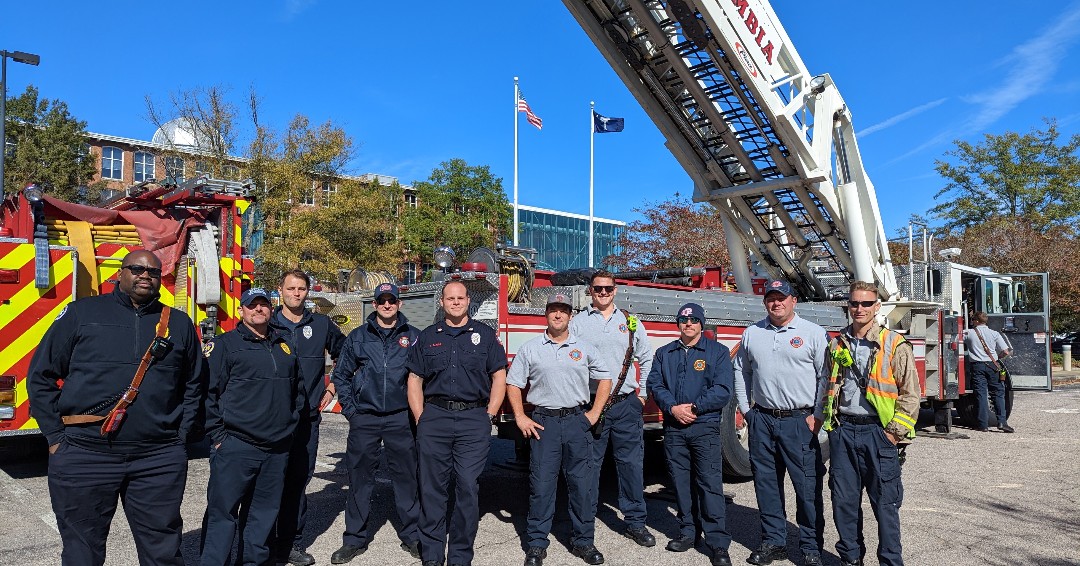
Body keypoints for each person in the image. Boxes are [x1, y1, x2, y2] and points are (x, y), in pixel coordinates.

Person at [28, 250, 205, 566]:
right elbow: (41, 376)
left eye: (152, 270)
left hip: (157, 459)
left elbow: (195, 385)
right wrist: (56, 438)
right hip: (85, 455)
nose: (145, 275)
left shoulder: (178, 323)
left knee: (162, 551)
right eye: (136, 268)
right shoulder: (81, 314)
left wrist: (180, 437)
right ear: (120, 273)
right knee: (82, 550)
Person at [407, 280, 508, 566]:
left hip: (473, 419)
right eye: (449, 298)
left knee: (467, 486)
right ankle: (432, 556)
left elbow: (499, 376)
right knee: (432, 489)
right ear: (442, 302)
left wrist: (489, 414)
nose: (455, 302)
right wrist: (420, 418)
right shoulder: (427, 337)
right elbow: (414, 379)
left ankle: (461, 557)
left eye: (460, 298)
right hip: (434, 419)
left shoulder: (485, 336)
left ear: (467, 301)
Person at [201, 288, 304, 566]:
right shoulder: (225, 345)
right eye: (252, 305)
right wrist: (219, 436)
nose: (258, 309)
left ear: (271, 310)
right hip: (237, 445)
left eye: (263, 305)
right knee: (222, 514)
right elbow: (207, 393)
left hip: (276, 449)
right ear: (241, 310)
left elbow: (298, 390)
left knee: (262, 515)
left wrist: (289, 425)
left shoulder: (284, 344)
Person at [507, 293, 613, 566]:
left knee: (582, 487)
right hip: (544, 424)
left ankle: (584, 542)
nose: (558, 315)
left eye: (563, 311)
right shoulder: (530, 348)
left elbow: (605, 378)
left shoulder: (584, 347)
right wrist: (520, 417)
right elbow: (513, 384)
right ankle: (536, 544)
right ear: (546, 314)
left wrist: (593, 414)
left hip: (577, 423)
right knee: (541, 487)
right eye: (553, 310)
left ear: (570, 315)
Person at [821, 281, 919, 566]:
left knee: (886, 506)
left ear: (877, 307)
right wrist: (829, 425)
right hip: (844, 432)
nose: (859, 308)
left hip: (879, 433)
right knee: (843, 504)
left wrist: (892, 434)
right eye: (854, 303)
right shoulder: (837, 342)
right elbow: (827, 386)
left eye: (866, 304)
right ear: (848, 306)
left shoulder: (894, 343)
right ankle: (851, 560)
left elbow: (911, 395)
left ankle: (890, 562)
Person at [733, 279, 828, 566]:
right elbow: (741, 371)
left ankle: (811, 547)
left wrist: (818, 415)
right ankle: (774, 542)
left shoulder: (813, 333)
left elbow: (826, 377)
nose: (776, 303)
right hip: (762, 420)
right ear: (765, 303)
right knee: (766, 485)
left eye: (782, 298)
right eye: (771, 298)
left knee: (807, 488)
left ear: (793, 301)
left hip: (800, 421)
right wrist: (747, 409)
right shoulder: (753, 333)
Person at [329, 283, 421, 564]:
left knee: (407, 479)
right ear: (374, 304)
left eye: (392, 300)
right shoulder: (357, 337)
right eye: (382, 300)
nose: (387, 305)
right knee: (359, 479)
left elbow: (424, 377)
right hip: (365, 419)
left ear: (399, 304)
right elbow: (341, 376)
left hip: (400, 418)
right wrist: (352, 411)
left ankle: (412, 536)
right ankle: (354, 539)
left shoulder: (414, 337)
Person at [567, 269, 656, 549]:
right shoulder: (578, 322)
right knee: (588, 468)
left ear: (615, 290)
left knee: (631, 465)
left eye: (608, 289)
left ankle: (636, 523)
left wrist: (642, 396)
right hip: (592, 405)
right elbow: (570, 362)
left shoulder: (630, 321)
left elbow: (647, 357)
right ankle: (584, 528)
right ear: (590, 291)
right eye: (598, 289)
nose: (603, 293)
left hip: (626, 405)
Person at [647, 303, 734, 566]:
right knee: (680, 483)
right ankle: (688, 532)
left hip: (704, 426)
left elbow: (722, 389)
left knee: (709, 484)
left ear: (701, 323)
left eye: (694, 320)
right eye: (684, 320)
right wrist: (673, 408)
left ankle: (718, 542)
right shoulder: (665, 353)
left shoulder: (717, 352)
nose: (689, 324)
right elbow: (655, 383)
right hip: (674, 428)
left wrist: (694, 408)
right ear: (678, 324)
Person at [269, 269, 345, 566]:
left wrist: (334, 386)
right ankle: (262, 542)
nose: (296, 293)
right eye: (291, 288)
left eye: (301, 289)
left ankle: (291, 544)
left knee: (298, 480)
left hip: (306, 419)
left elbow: (346, 354)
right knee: (268, 480)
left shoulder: (322, 324)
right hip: (270, 419)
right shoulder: (267, 321)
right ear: (280, 290)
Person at [962, 311, 1014, 433]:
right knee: (998, 393)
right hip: (993, 365)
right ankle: (1002, 422)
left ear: (976, 321)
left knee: (981, 395)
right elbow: (1006, 351)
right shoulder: (995, 333)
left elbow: (955, 341)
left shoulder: (968, 333)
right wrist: (998, 357)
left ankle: (982, 424)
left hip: (977, 366)